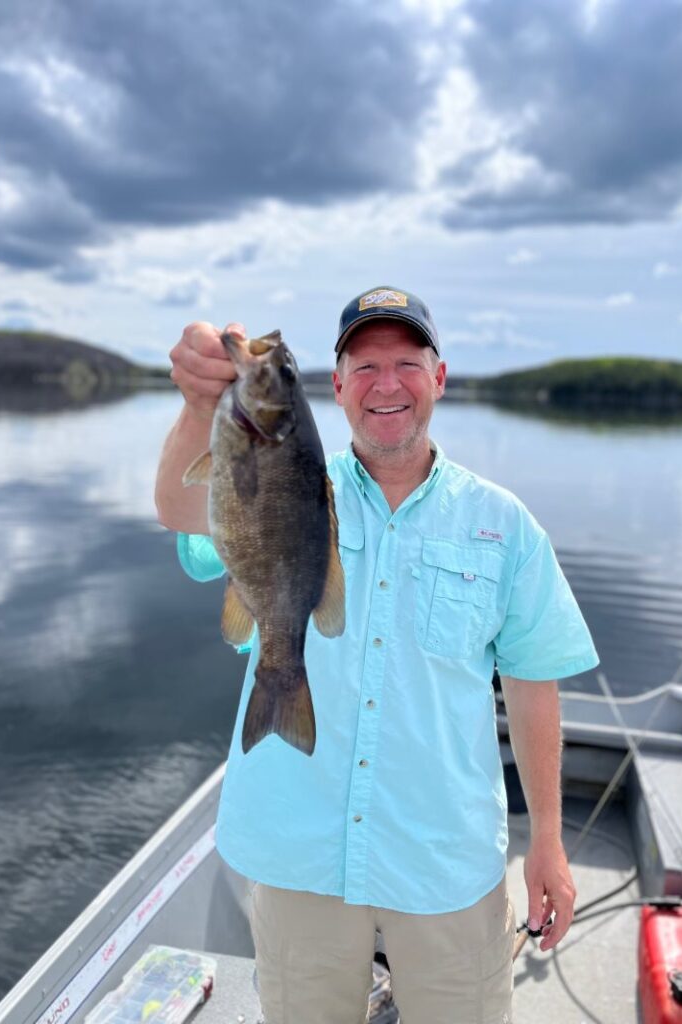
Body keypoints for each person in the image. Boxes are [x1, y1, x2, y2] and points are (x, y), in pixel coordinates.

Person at [154, 285, 600, 1024]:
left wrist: (547, 841)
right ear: (335, 387)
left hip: (446, 862)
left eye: (405, 363)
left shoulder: (503, 525)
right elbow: (176, 508)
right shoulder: (290, 479)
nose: (385, 384)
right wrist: (202, 407)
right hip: (301, 855)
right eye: (363, 367)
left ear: (440, 376)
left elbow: (531, 686)